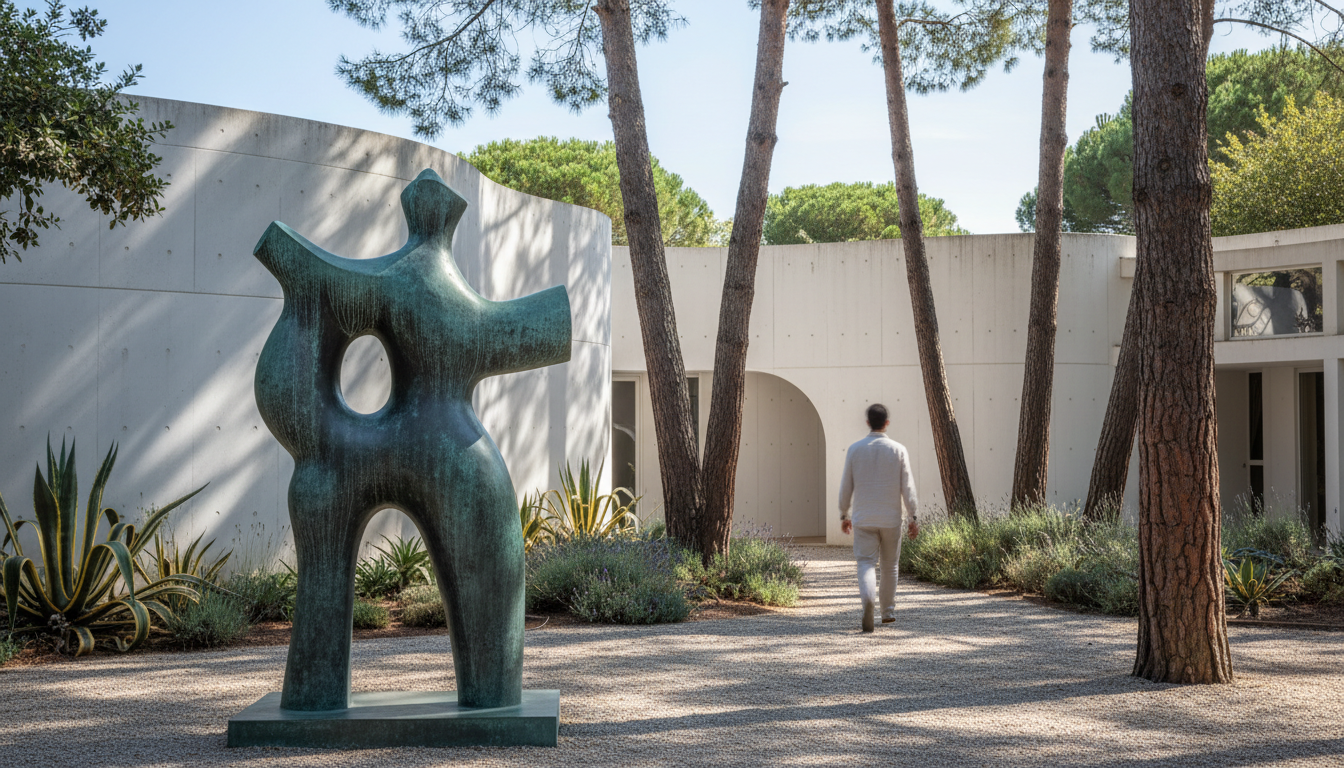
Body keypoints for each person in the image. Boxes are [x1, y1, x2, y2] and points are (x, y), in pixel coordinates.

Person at [839, 403, 919, 633]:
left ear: (867, 423)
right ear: (887, 423)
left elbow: (846, 485)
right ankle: (888, 612)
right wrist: (913, 516)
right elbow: (908, 487)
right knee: (890, 565)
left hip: (863, 517)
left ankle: (867, 602)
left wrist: (844, 513)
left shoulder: (855, 449)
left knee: (865, 563)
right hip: (891, 518)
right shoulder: (898, 450)